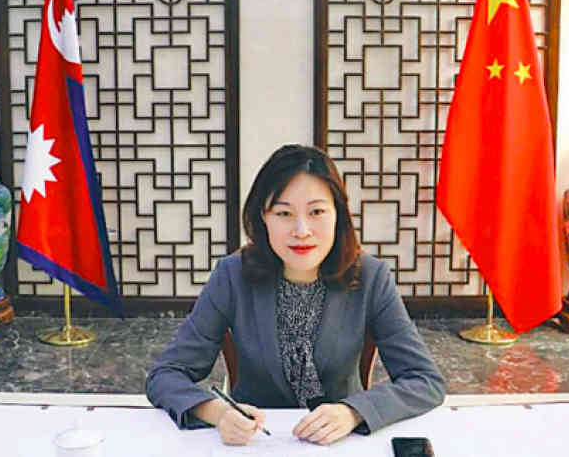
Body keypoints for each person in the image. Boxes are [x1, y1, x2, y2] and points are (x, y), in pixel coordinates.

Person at [146, 144, 445, 446]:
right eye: (284, 213)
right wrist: (219, 413)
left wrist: (353, 412)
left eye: (316, 212)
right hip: (257, 445)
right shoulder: (232, 275)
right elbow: (166, 375)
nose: (301, 230)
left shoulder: (371, 276)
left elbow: (424, 380)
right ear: (263, 217)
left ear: (338, 214)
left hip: (341, 444)